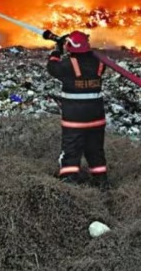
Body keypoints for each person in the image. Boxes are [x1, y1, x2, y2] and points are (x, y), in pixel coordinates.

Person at [46, 30, 110, 190]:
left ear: (70, 47)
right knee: (96, 151)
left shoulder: (68, 65)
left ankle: (69, 181)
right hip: (96, 118)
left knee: (71, 151)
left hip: (75, 120)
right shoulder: (99, 63)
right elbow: (95, 60)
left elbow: (52, 67)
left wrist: (57, 49)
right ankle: (101, 182)